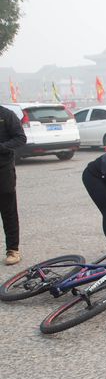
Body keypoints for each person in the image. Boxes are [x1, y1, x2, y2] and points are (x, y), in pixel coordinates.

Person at [0, 106, 27, 265]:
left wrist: (2, 147)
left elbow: (20, 138)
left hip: (3, 170)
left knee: (8, 211)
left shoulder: (6, 115)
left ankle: (13, 250)